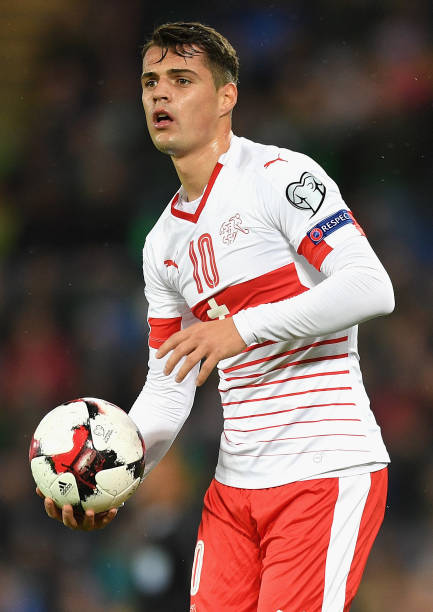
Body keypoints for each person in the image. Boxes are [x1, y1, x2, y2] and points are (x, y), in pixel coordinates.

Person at [38, 22, 395, 611]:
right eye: (151, 81)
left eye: (182, 80)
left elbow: (371, 287)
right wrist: (108, 476)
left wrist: (243, 327)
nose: (160, 95)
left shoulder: (280, 177)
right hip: (233, 492)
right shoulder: (162, 243)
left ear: (227, 96)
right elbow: (167, 384)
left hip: (322, 470)